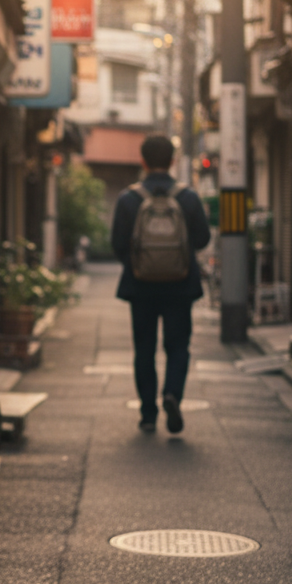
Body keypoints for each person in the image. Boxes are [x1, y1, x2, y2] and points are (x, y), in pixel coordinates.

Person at [111, 134, 211, 434]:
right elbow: (203, 239)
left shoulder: (129, 199)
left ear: (142, 161)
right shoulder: (188, 197)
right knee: (178, 346)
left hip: (140, 287)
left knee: (144, 349)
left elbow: (117, 245)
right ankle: (172, 395)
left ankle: (147, 413)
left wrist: (140, 263)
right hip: (180, 286)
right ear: (172, 161)